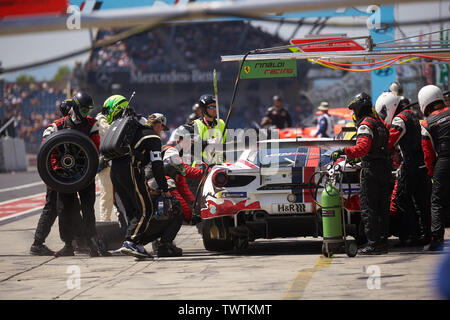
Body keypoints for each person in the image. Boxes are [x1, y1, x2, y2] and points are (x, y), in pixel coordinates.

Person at [44, 91, 107, 257]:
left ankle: (92, 243)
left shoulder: (92, 124)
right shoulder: (58, 125)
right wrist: (54, 172)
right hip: (64, 177)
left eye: (89, 110)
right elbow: (46, 147)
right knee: (65, 210)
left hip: (84, 174)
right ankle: (68, 245)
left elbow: (96, 148)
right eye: (84, 110)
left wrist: (95, 166)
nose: (87, 113)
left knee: (88, 209)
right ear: (76, 107)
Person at [331, 92, 391, 255]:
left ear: (358, 109)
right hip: (385, 169)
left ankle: (374, 244)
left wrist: (343, 151)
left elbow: (362, 148)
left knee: (369, 208)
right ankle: (382, 242)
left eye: (353, 111)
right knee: (382, 208)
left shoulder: (365, 125)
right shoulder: (380, 124)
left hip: (371, 170)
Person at [377, 91, 432, 247]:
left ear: (389, 107)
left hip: (411, 166)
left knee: (402, 199)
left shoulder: (399, 119)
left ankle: (413, 236)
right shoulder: (412, 114)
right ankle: (427, 235)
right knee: (422, 202)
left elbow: (388, 141)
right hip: (422, 165)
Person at [30, 99, 82, 256]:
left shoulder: (74, 126)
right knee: (53, 207)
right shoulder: (55, 127)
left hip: (66, 175)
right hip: (56, 175)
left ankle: (79, 240)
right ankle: (37, 244)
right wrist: (51, 175)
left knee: (73, 205)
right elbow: (45, 149)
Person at [118, 112, 171, 259]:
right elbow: (157, 167)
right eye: (162, 128)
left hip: (116, 172)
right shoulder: (153, 137)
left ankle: (138, 245)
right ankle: (131, 242)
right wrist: (165, 189)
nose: (161, 131)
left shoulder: (137, 131)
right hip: (131, 169)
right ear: (159, 124)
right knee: (147, 208)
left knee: (134, 209)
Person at [419, 84, 450, 251]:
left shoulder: (426, 124)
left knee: (437, 201)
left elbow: (428, 155)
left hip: (443, 163)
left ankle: (437, 239)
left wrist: (432, 174)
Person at [162, 125, 204, 222]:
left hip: (157, 189)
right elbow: (185, 170)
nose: (191, 144)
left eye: (192, 141)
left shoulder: (177, 154)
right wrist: (200, 168)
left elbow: (181, 184)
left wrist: (193, 202)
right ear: (180, 139)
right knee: (169, 182)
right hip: (151, 187)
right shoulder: (171, 150)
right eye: (189, 141)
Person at [192, 94, 227, 165]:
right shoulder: (195, 124)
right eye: (211, 107)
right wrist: (209, 143)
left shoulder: (221, 123)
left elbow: (228, 142)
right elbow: (192, 146)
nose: (215, 109)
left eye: (215, 106)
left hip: (220, 166)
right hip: (202, 168)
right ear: (203, 109)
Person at [96, 101, 115, 222]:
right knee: (106, 194)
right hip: (105, 162)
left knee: (117, 195)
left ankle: (122, 221)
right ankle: (105, 222)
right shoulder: (100, 119)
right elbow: (110, 132)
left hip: (114, 162)